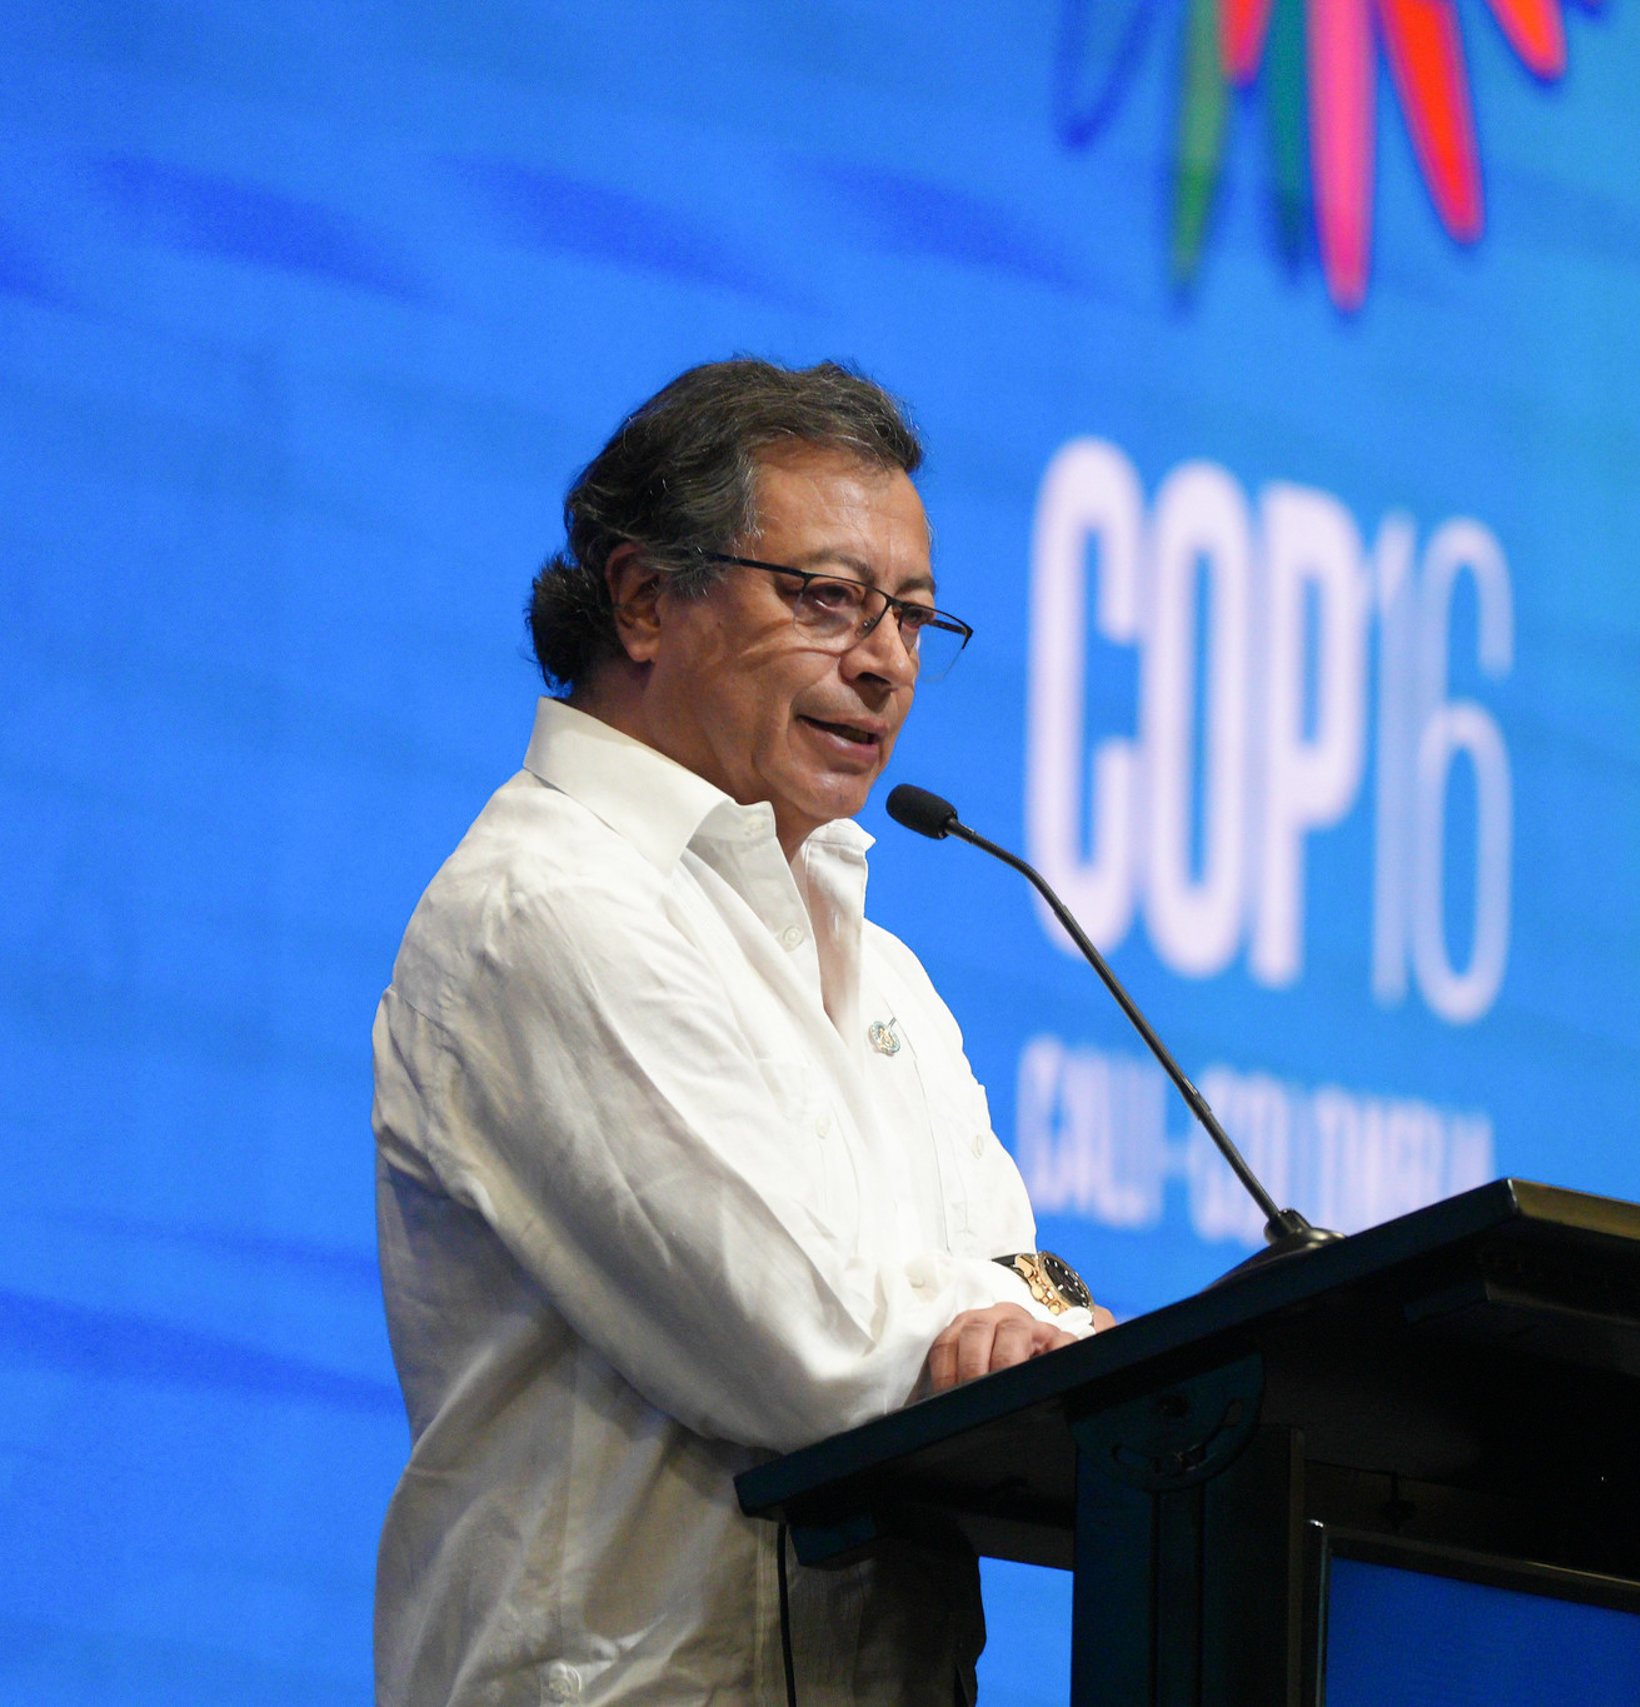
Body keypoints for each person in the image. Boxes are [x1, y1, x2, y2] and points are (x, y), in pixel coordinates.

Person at [371, 358, 1102, 1706]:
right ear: (646, 599)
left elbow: (1018, 1287)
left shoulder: (884, 976)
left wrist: (1012, 1324)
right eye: (828, 599)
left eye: (914, 621)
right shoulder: (549, 906)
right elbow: (807, 1345)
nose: (883, 662)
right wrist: (992, 1321)